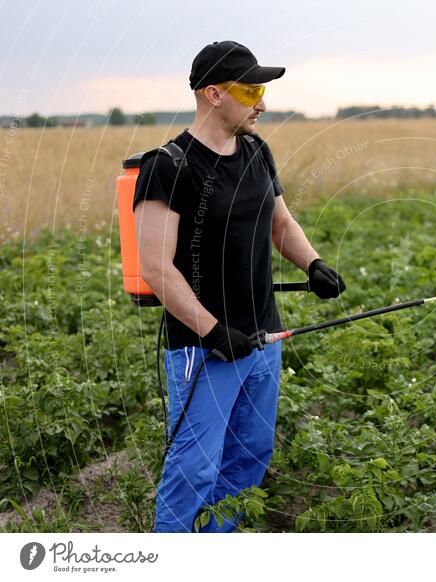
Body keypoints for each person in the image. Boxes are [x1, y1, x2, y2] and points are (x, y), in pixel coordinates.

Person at [132, 40, 346, 533]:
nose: (263, 104)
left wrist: (313, 263)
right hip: (204, 348)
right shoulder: (168, 166)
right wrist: (212, 331)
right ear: (213, 94)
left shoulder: (255, 151)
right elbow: (156, 266)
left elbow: (280, 223)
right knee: (195, 469)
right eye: (251, 91)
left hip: (263, 339)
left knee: (250, 457)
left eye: (262, 91)